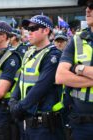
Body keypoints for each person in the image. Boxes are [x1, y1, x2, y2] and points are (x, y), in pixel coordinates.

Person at [9, 15, 64, 140]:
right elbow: (20, 80)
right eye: (28, 29)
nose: (29, 32)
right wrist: (12, 100)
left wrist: (19, 108)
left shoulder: (53, 55)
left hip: (44, 125)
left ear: (46, 31)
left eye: (33, 28)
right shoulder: (29, 53)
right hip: (26, 122)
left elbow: (41, 87)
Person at [56, 0, 93, 139]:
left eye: (92, 6)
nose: (87, 10)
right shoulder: (77, 39)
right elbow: (60, 77)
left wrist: (79, 68)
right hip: (80, 124)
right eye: (86, 6)